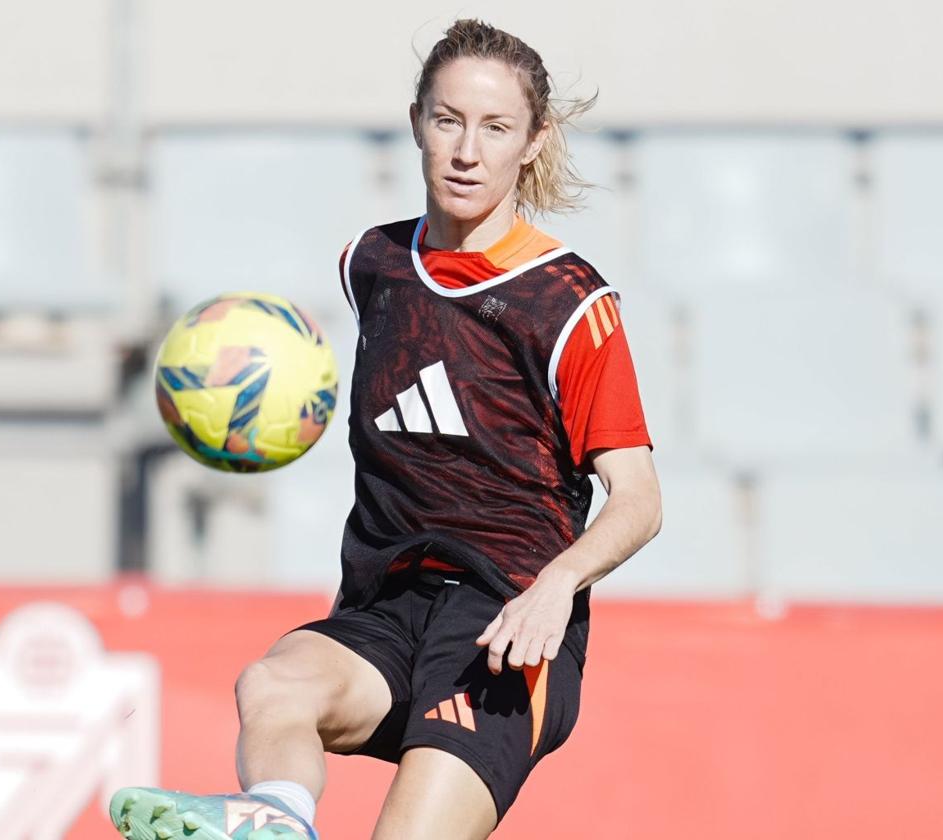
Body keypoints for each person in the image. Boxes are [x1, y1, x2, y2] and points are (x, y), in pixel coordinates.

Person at [110, 18, 661, 840]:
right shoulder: (370, 265)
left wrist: (557, 587)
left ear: (533, 142)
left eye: (496, 127)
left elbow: (640, 500)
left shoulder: (569, 303)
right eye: (448, 120)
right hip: (386, 605)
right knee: (275, 684)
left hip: (505, 629)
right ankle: (278, 817)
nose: (467, 150)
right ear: (416, 123)